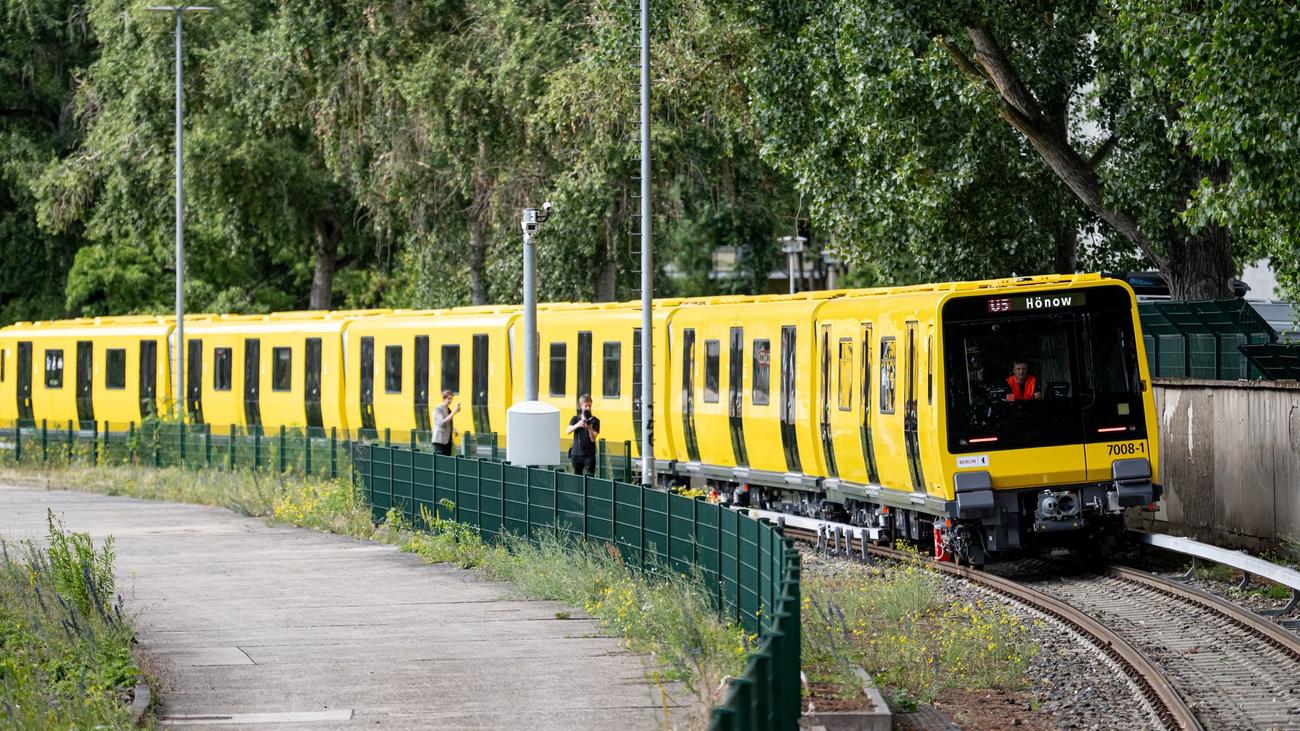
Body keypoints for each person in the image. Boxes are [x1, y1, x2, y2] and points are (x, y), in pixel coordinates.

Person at [566, 394, 600, 476]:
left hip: (589, 454)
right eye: (586, 406)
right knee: (577, 477)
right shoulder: (575, 419)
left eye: (590, 406)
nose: (588, 408)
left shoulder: (595, 421)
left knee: (590, 476)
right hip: (576, 454)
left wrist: (590, 428)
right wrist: (578, 425)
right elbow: (568, 431)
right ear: (581, 406)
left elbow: (593, 439)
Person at [432, 389, 460, 455]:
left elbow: (448, 422)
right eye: (448, 399)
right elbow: (441, 423)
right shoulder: (438, 409)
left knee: (447, 461)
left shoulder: (448, 410)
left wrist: (452, 428)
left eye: (451, 399)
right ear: (444, 398)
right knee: (440, 461)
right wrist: (454, 412)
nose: (450, 401)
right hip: (439, 441)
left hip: (447, 441)